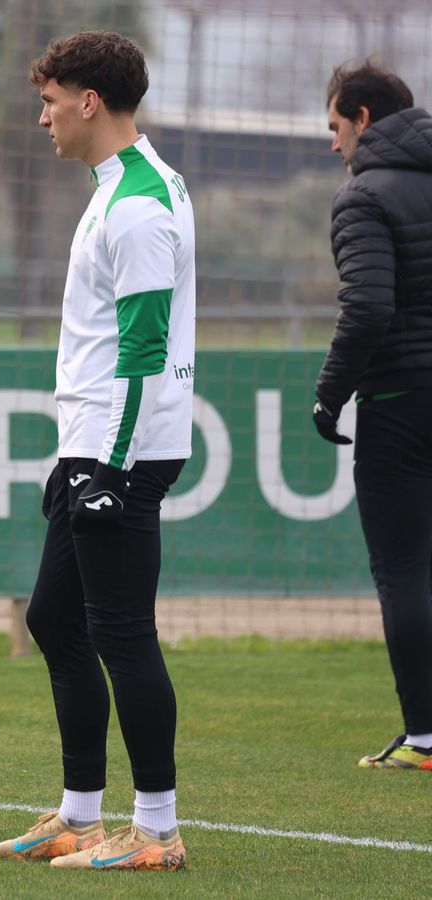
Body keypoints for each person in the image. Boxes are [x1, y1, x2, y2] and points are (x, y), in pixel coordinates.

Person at [0, 32, 194, 870]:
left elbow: (142, 355)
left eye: (50, 100)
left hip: (124, 453)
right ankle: (78, 814)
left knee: (121, 634)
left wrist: (106, 468)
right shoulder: (123, 188)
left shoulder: (139, 204)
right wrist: (77, 455)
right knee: (53, 619)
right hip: (94, 444)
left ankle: (157, 831)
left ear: (90, 103)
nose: (42, 116)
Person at [312, 59, 432, 772]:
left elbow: (369, 306)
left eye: (334, 126)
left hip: (399, 400)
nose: (332, 144)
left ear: (362, 118)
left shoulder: (362, 196)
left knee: (405, 569)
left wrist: (331, 393)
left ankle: (424, 737)